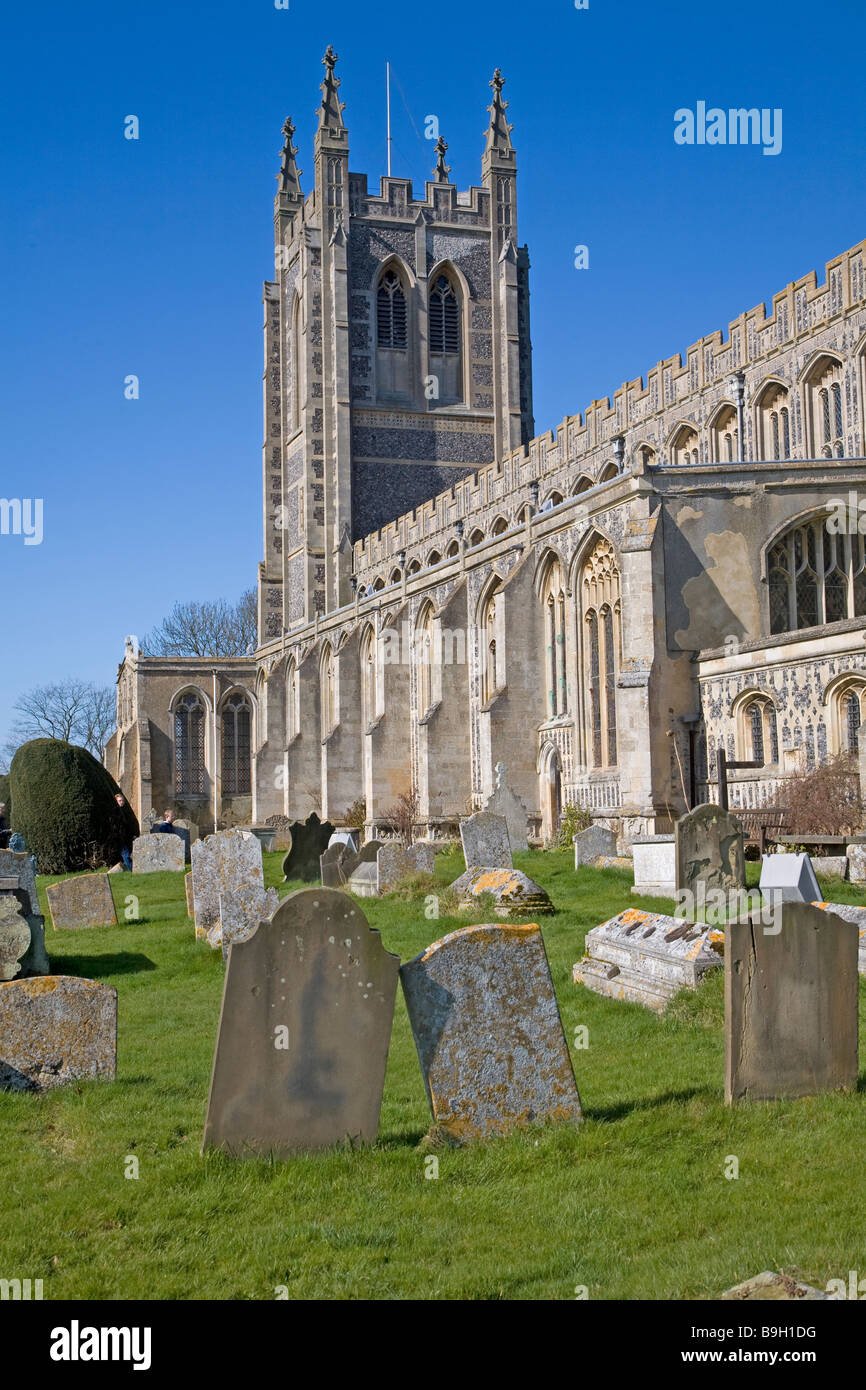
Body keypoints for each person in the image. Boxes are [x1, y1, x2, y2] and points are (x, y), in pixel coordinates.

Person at [115, 793, 133, 871]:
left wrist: (133, 835)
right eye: (119, 801)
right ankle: (132, 870)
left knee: (126, 855)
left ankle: (128, 870)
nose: (121, 802)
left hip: (126, 837)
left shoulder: (125, 812)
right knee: (126, 855)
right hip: (119, 838)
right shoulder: (115, 812)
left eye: (122, 800)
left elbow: (128, 826)